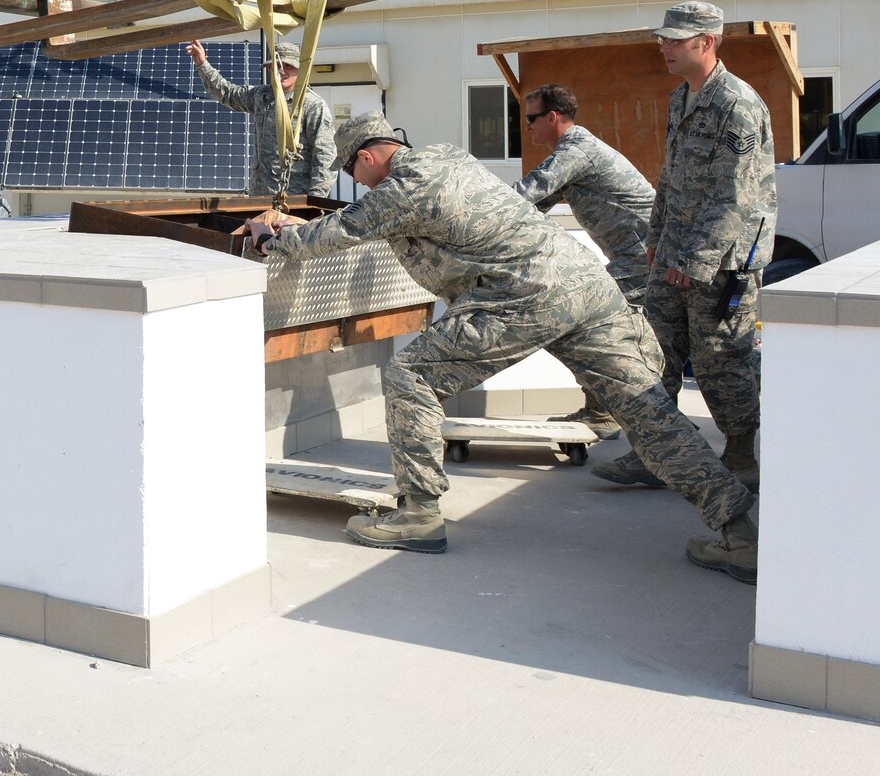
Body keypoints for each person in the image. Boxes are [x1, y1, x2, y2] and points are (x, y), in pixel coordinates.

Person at [242, 112, 759, 583]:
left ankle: (418, 514)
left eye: (352, 170)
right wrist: (300, 222)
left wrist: (272, 238)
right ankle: (740, 532)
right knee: (649, 411)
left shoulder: (403, 188)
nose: (354, 180)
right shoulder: (446, 158)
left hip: (524, 298)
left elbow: (347, 230)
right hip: (584, 286)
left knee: (410, 376)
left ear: (369, 156)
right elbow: (381, 218)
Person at [590, 2, 776, 492]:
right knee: (656, 351)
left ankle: (740, 458)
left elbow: (733, 194)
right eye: (664, 38)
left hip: (723, 263)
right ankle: (656, 452)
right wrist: (657, 240)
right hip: (674, 252)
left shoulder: (737, 104)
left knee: (720, 359)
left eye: (676, 39)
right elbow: (670, 178)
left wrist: (694, 261)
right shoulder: (681, 98)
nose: (665, 47)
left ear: (707, 42)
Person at [513, 82, 656, 440]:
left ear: (553, 117)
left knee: (586, 322)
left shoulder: (575, 152)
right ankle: (603, 410)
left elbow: (522, 196)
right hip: (636, 257)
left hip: (644, 258)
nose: (527, 126)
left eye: (531, 118)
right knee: (593, 326)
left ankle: (608, 414)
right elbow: (529, 209)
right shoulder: (571, 153)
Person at [185, 38, 335, 198]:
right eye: (277, 66)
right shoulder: (261, 96)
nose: (282, 71)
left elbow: (326, 155)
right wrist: (202, 64)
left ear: (300, 70)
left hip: (294, 199)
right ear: (270, 68)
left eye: (289, 66)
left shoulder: (312, 105)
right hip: (260, 196)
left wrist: (315, 200)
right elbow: (227, 93)